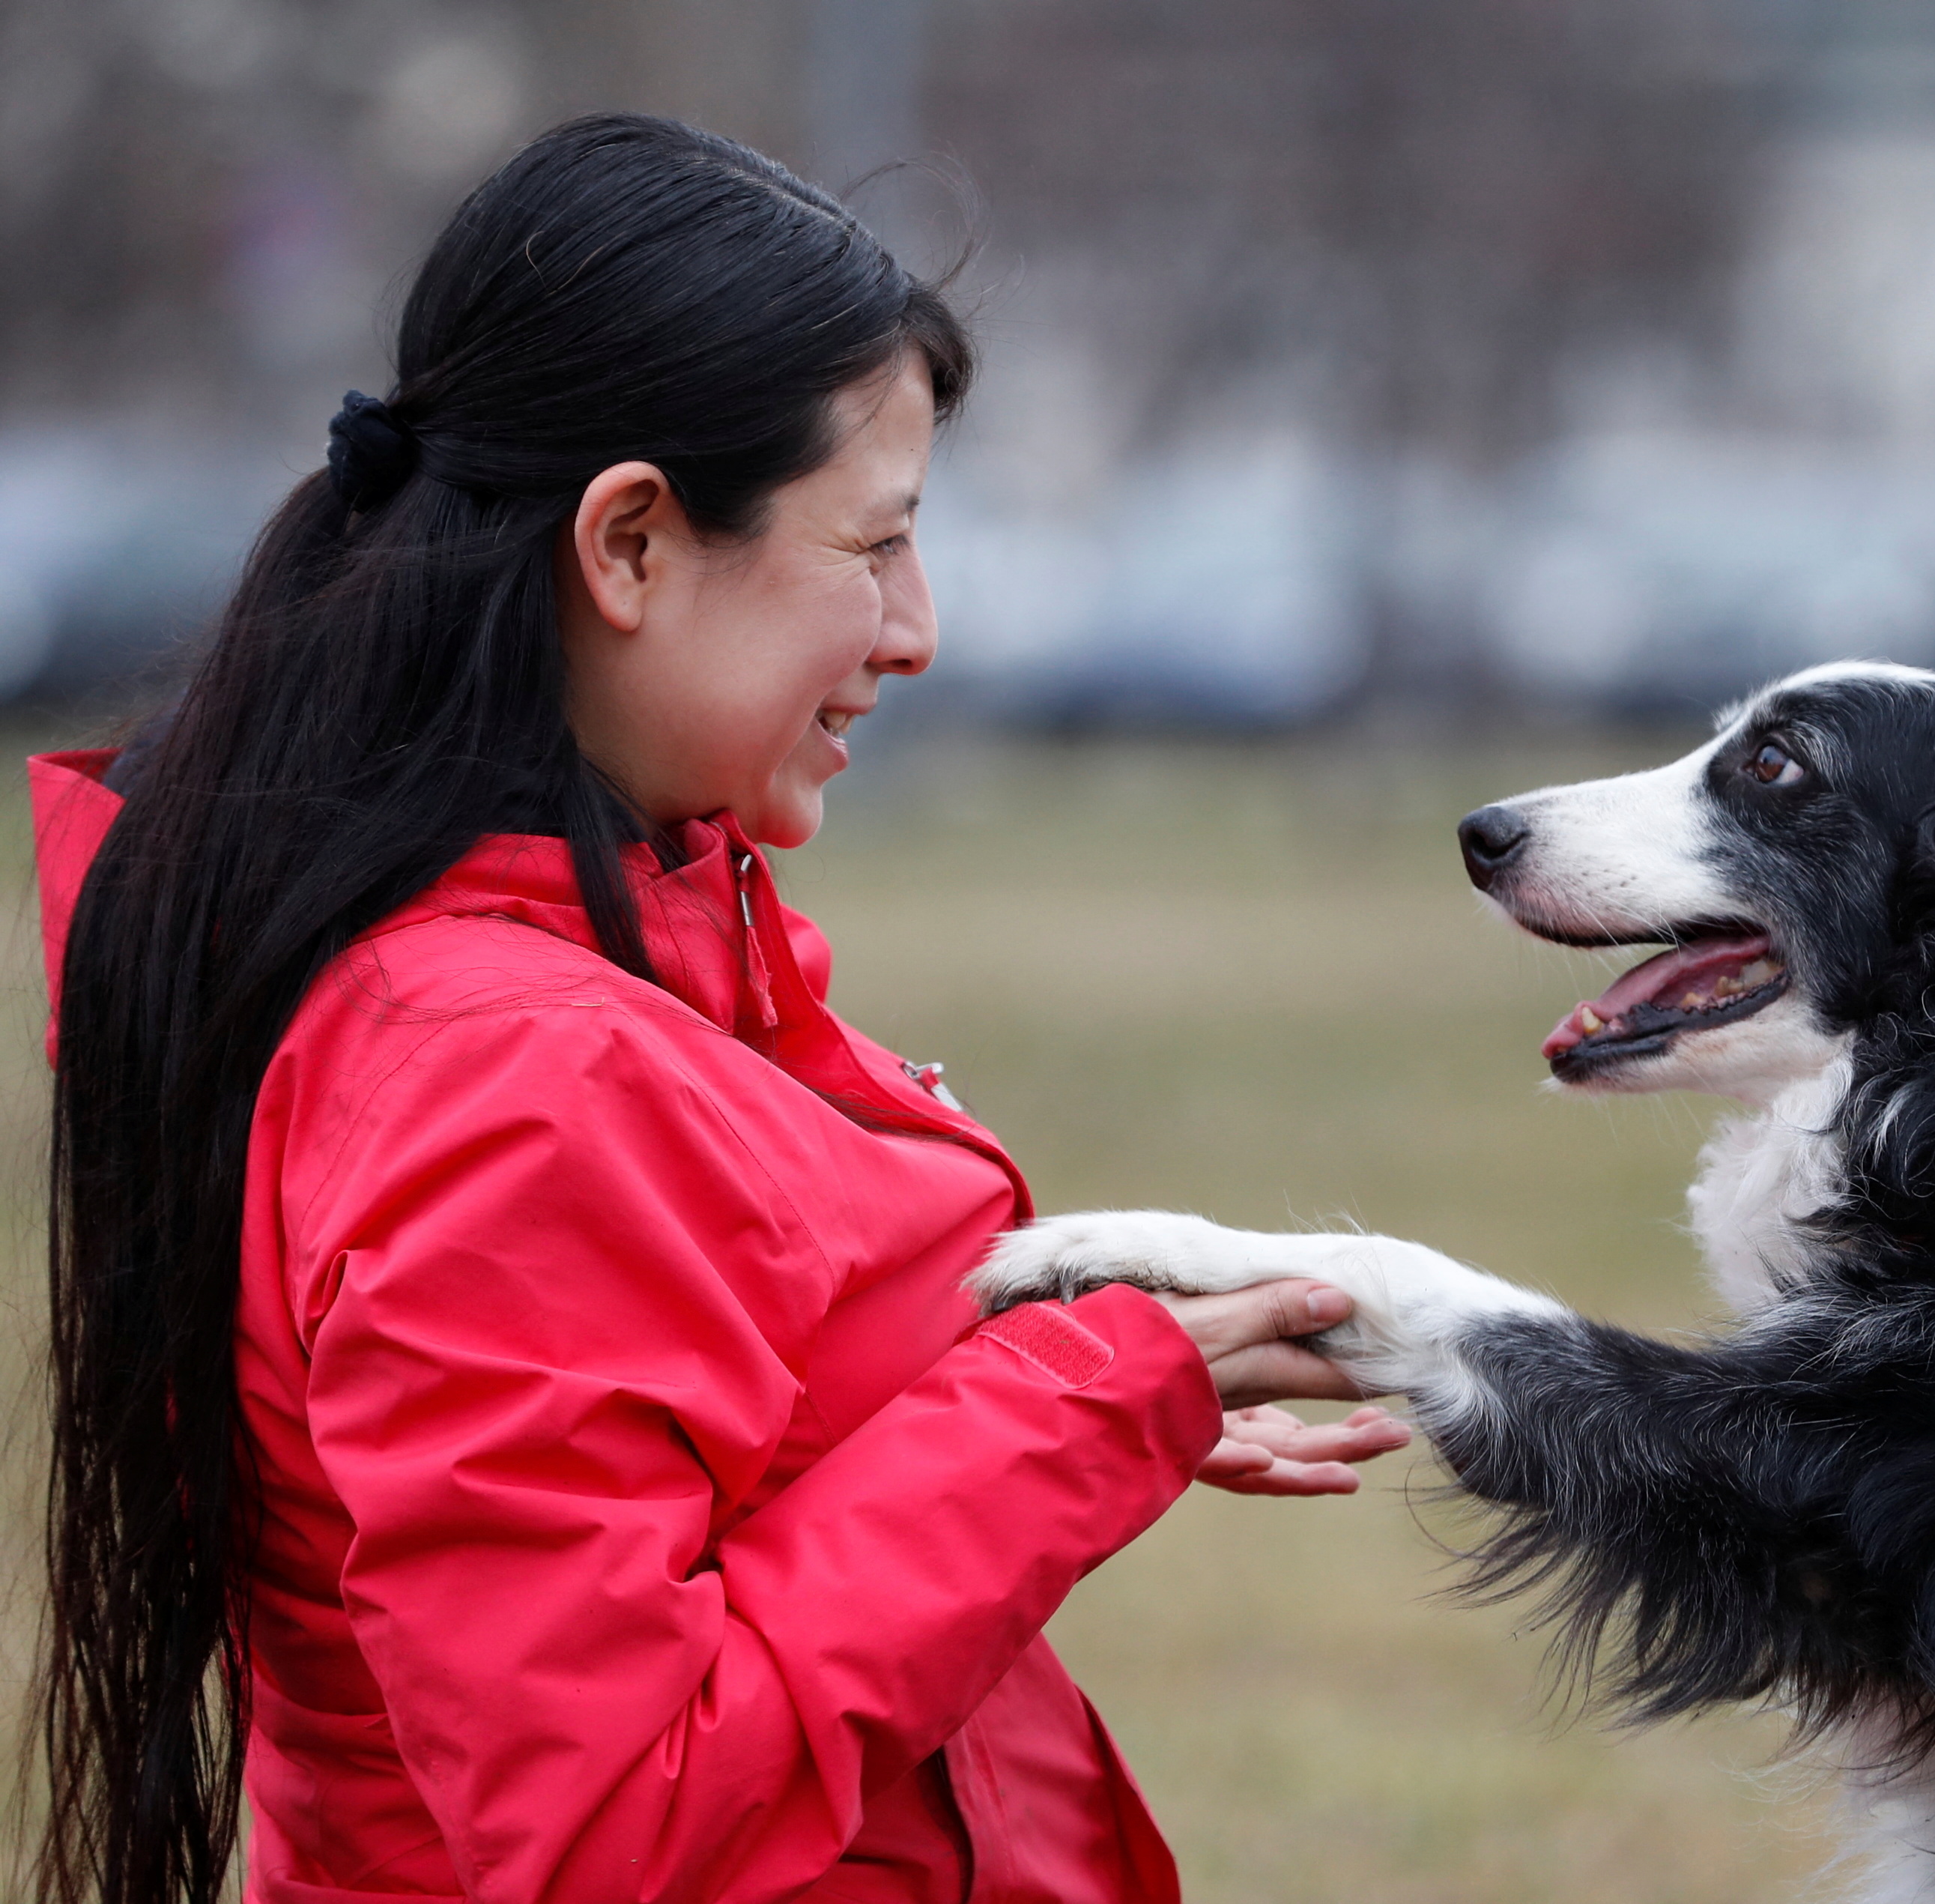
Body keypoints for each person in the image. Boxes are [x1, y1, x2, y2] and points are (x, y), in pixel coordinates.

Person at [33, 113, 1407, 1904]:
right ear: (627, 544)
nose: (918, 628)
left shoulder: (560, 952)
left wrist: (1012, 1391)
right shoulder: (506, 1071)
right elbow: (617, 1810)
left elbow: (671, 1444)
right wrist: (1054, 1415)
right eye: (875, 543)